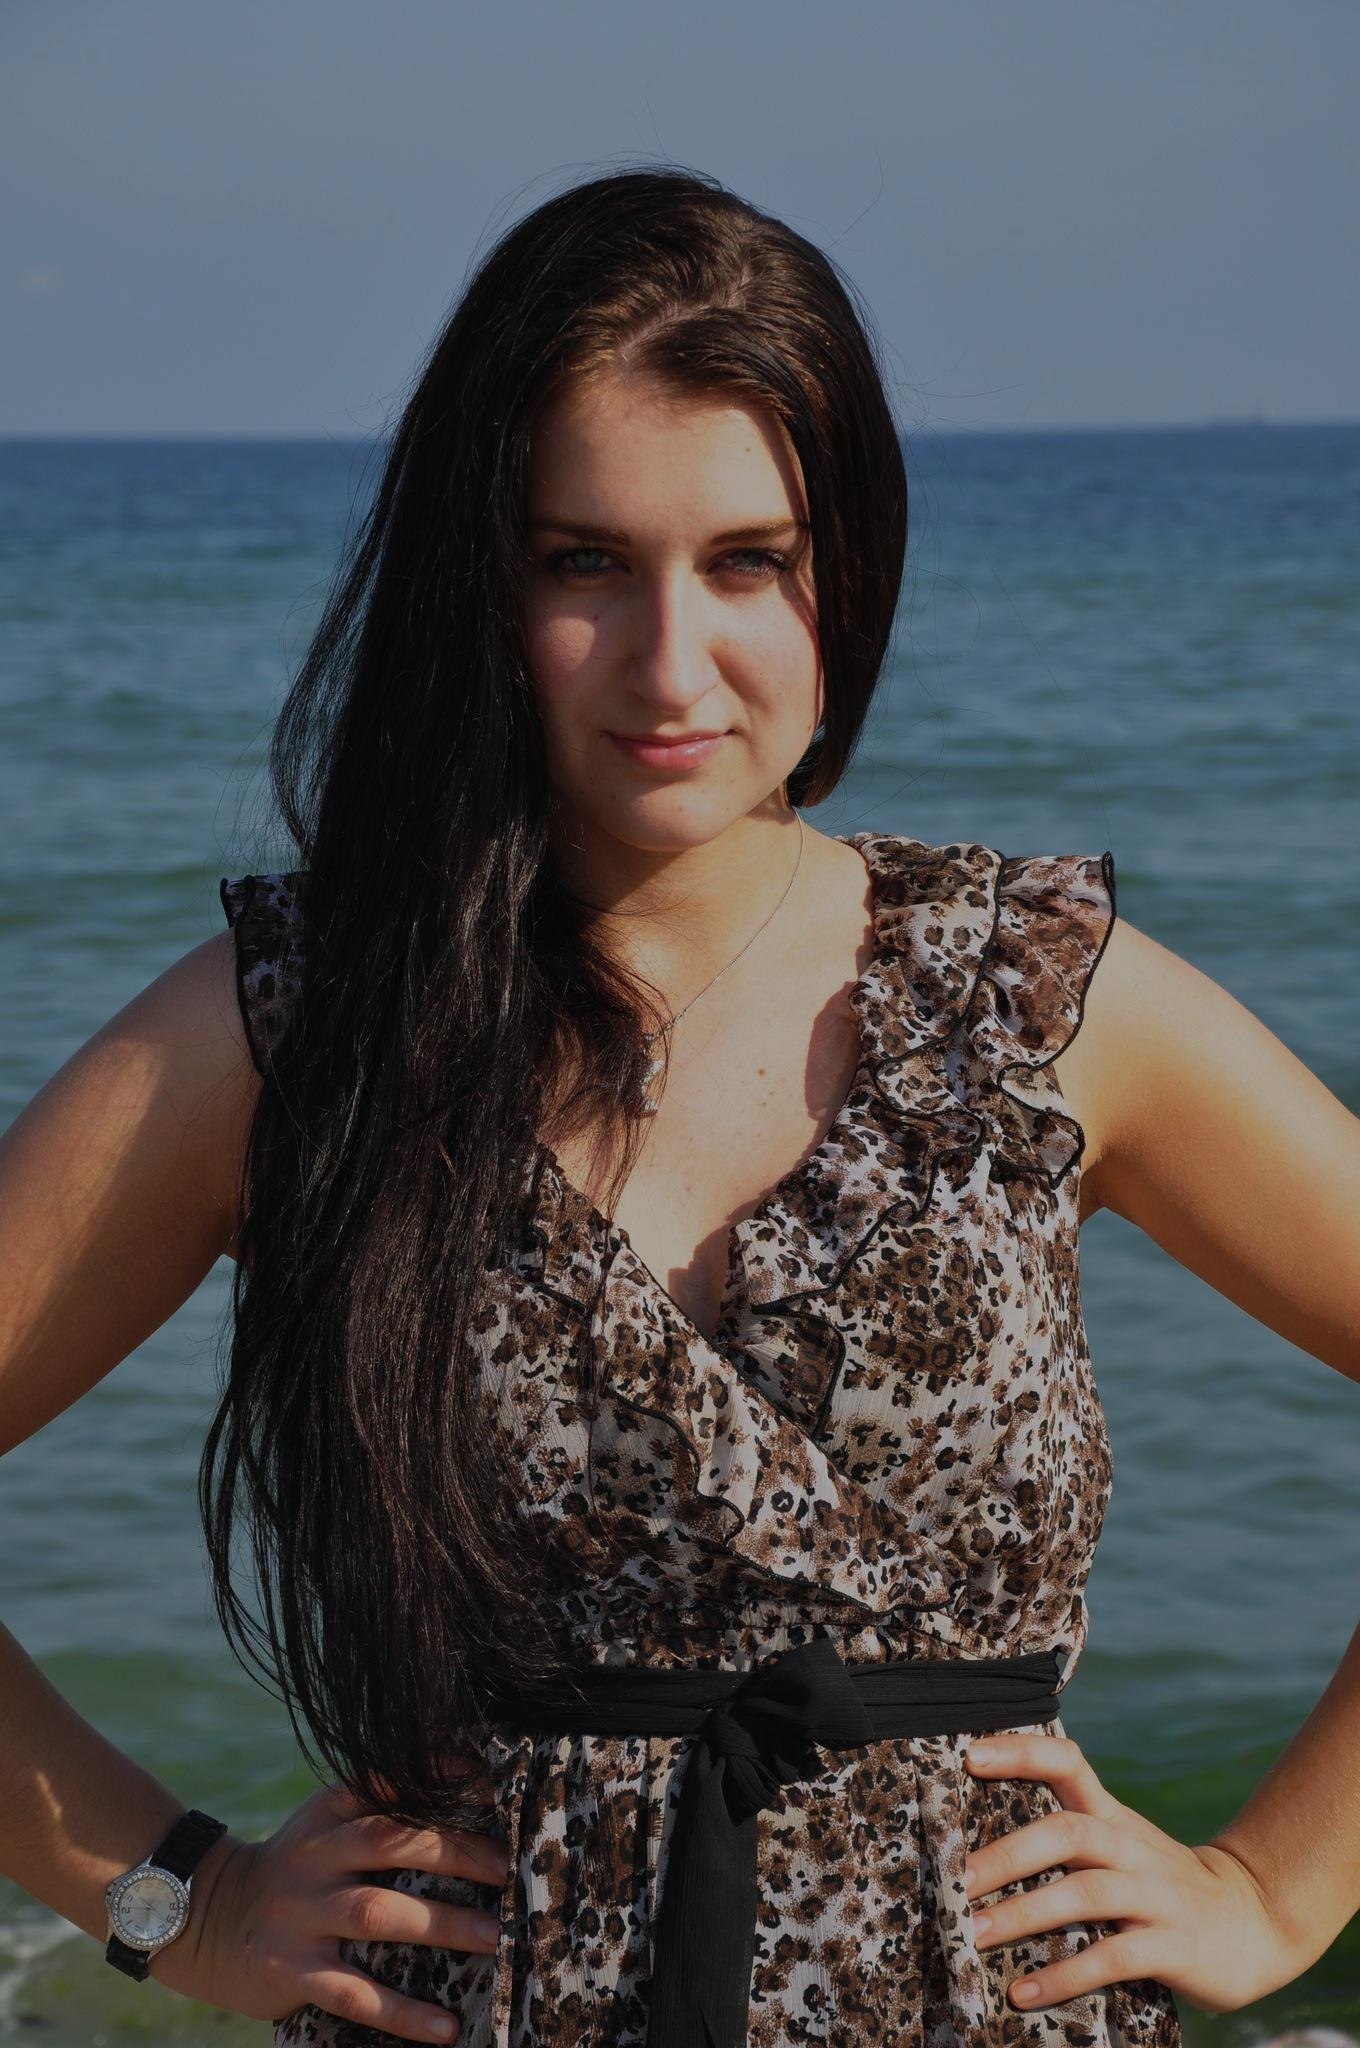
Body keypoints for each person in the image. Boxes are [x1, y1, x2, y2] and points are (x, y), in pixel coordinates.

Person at [2, 163, 1357, 2048]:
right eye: (583, 562)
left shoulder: (1031, 1004)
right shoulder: (305, 1036)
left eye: (748, 560)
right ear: (481, 582)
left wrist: (1278, 1883)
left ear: (848, 569)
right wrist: (178, 1899)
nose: (669, 661)